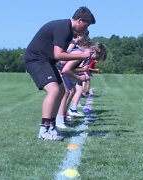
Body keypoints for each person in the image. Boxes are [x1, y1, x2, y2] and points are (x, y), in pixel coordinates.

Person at [24, 6, 96, 141]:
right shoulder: (64, 28)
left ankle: (51, 126)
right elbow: (58, 55)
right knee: (54, 90)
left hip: (46, 61)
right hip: (36, 59)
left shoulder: (67, 30)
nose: (86, 30)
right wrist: (82, 55)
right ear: (79, 20)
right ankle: (44, 129)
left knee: (62, 90)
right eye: (86, 26)